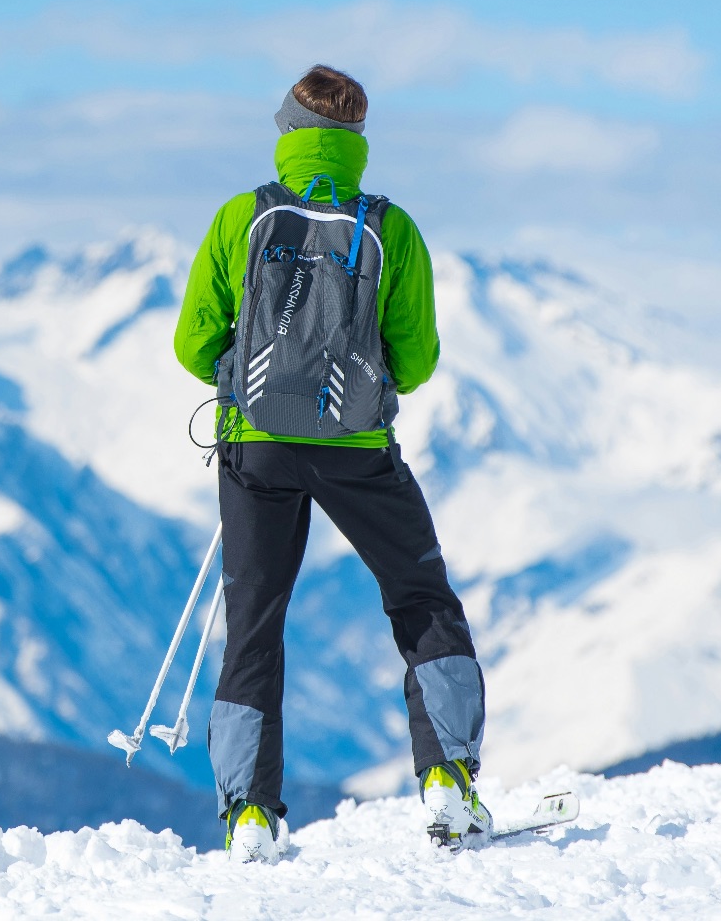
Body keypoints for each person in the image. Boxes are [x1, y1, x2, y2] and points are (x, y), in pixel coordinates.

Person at [172, 65, 488, 862]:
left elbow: (191, 343)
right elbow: (416, 360)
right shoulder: (391, 227)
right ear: (358, 141)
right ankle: (448, 777)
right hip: (356, 450)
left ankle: (250, 813)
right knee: (419, 597)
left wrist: (246, 380)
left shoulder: (241, 219)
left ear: (286, 131)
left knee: (255, 620)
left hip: (256, 446)